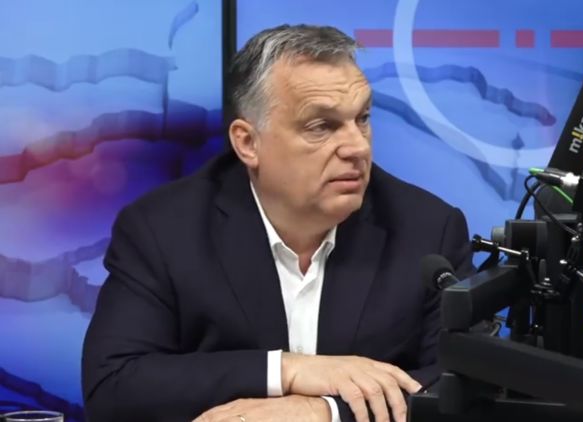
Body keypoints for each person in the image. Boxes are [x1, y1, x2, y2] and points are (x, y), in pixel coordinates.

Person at [82, 24, 473, 422]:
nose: (357, 146)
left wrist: (323, 412)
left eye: (363, 118)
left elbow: (464, 385)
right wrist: (285, 369)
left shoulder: (428, 230)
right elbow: (113, 385)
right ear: (247, 142)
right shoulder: (164, 230)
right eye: (321, 126)